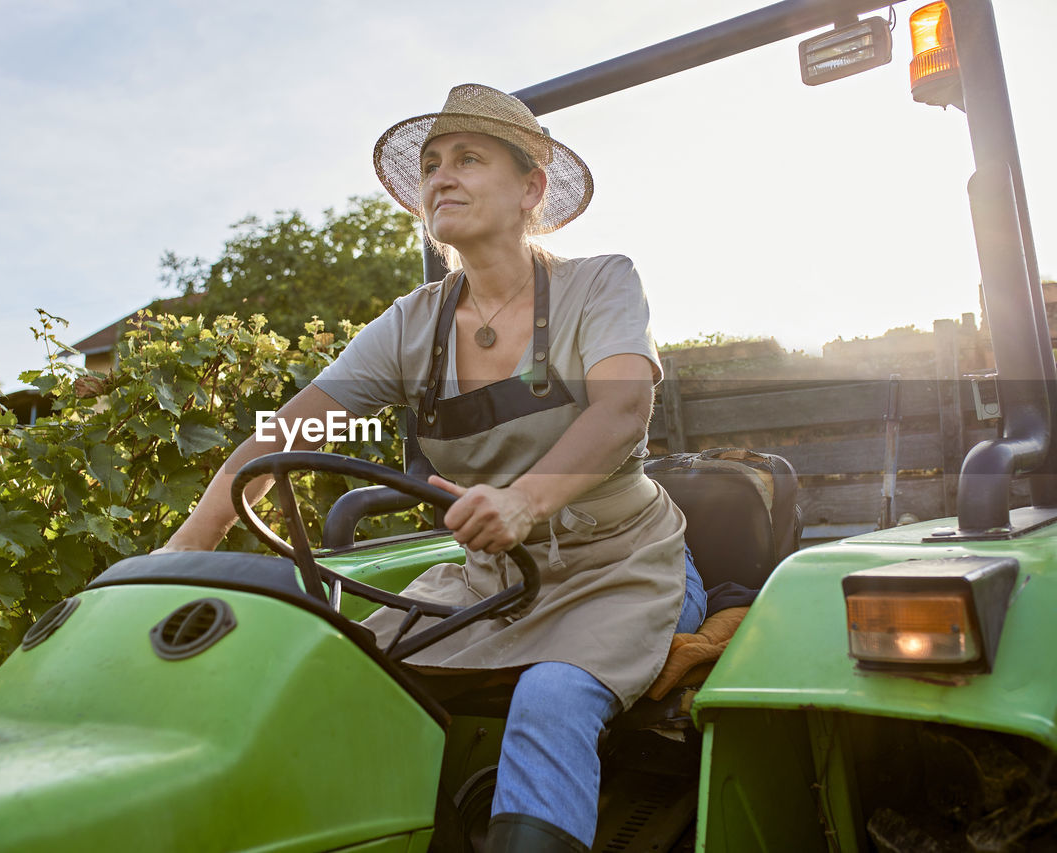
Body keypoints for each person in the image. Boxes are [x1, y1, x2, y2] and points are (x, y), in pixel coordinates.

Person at [159, 83, 707, 853]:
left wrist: (522, 500)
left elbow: (621, 412)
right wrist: (188, 543)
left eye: (469, 159)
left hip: (622, 566)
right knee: (338, 668)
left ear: (530, 189)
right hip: (489, 581)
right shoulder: (409, 324)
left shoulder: (601, 282)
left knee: (552, 694)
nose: (442, 177)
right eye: (432, 165)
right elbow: (287, 426)